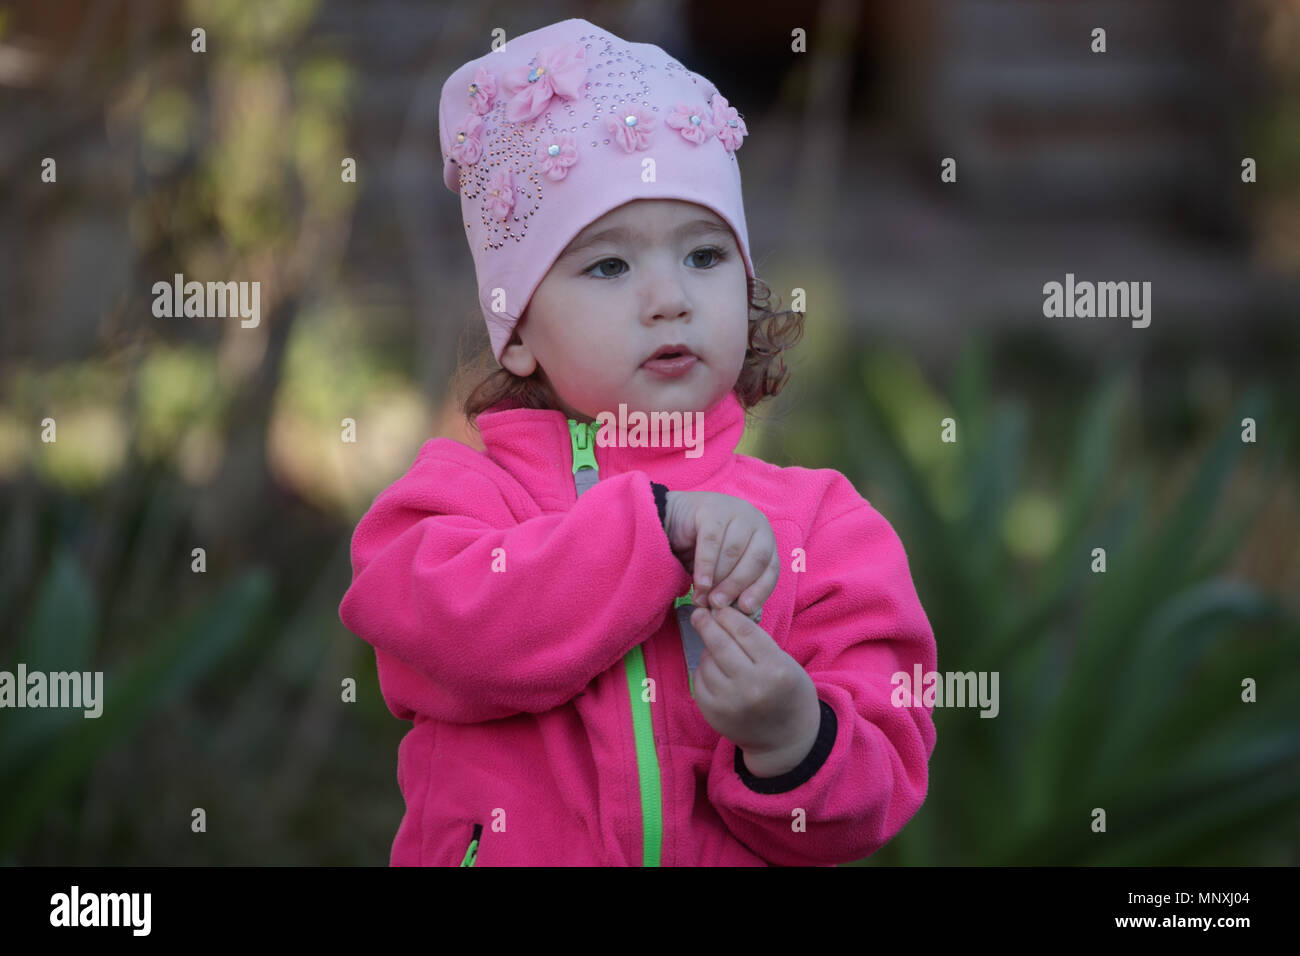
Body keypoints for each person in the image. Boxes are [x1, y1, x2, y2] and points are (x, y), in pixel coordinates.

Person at [338, 17, 937, 866]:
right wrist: (653, 529)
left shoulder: (822, 529)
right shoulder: (465, 503)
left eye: (704, 255)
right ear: (518, 334)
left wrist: (792, 735)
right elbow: (430, 635)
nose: (669, 298)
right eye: (609, 267)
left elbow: (882, 775)